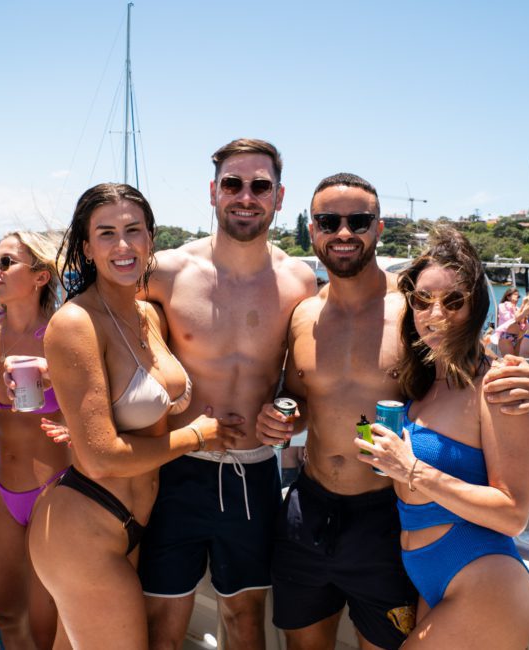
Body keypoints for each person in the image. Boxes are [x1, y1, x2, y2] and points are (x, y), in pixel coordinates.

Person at [256, 173, 529, 650]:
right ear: (312, 230)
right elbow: (302, 402)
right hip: (308, 509)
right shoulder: (303, 314)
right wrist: (285, 419)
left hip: (385, 518)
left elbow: (470, 360)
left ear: (379, 227)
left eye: (359, 221)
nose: (344, 232)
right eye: (329, 221)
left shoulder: (409, 307)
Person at [27, 183, 244, 650]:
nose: (122, 245)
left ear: (151, 239)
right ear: (86, 247)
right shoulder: (75, 322)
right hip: (82, 527)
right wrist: (198, 438)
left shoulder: (148, 315)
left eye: (133, 230)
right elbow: (102, 457)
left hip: (131, 524)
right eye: (106, 233)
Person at [136, 139, 318, 650]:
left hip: (254, 470)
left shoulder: (299, 280)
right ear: (213, 192)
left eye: (260, 186)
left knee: (244, 618)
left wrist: (290, 418)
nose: (246, 196)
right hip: (174, 468)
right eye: (233, 184)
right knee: (162, 621)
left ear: (279, 197)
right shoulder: (166, 271)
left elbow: (299, 388)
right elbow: (105, 337)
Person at [355, 227, 529, 649]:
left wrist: (411, 468)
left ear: (475, 308)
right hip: (430, 576)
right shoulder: (425, 382)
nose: (434, 313)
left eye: (453, 301)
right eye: (423, 299)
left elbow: (513, 513)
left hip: (482, 577)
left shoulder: (495, 386)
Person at [0, 231, 68, 649]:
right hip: (1, 487)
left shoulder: (65, 334)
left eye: (7, 263)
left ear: (41, 276)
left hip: (56, 492)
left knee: (46, 625)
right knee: (5, 612)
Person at [494, 286, 522, 355]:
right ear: (508, 296)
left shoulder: (518, 309)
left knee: (516, 362)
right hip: (506, 336)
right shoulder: (502, 306)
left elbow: (522, 324)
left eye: (518, 296)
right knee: (510, 361)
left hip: (517, 337)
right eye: (515, 295)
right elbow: (509, 319)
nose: (517, 298)